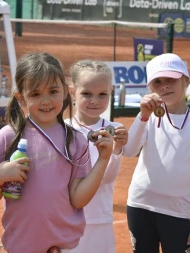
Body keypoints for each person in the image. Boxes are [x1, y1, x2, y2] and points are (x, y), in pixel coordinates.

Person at [0, 52, 114, 253]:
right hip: (21, 245)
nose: (46, 101)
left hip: (65, 248)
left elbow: (78, 199)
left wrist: (103, 160)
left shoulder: (76, 140)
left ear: (65, 92)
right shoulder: (7, 137)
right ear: (20, 97)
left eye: (53, 91)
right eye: (35, 94)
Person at [123, 53, 190, 253]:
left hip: (176, 212)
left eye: (171, 79)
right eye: (158, 81)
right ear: (150, 88)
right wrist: (143, 116)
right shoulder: (148, 117)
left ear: (186, 80)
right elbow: (129, 151)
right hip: (140, 206)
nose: (165, 86)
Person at [66, 60, 128, 253]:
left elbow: (107, 178)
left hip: (100, 218)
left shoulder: (115, 129)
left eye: (102, 94)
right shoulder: (62, 129)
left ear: (110, 92)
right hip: (66, 219)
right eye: (87, 93)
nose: (95, 100)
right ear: (72, 92)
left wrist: (116, 149)